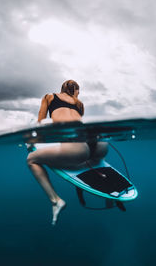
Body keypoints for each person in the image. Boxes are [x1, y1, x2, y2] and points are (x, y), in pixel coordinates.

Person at [27, 80, 108, 225]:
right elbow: (77, 124)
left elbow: (40, 122)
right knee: (84, 158)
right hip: (101, 146)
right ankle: (106, 190)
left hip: (78, 150)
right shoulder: (79, 104)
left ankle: (56, 201)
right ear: (77, 91)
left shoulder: (49, 97)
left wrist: (32, 142)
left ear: (61, 89)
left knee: (31, 159)